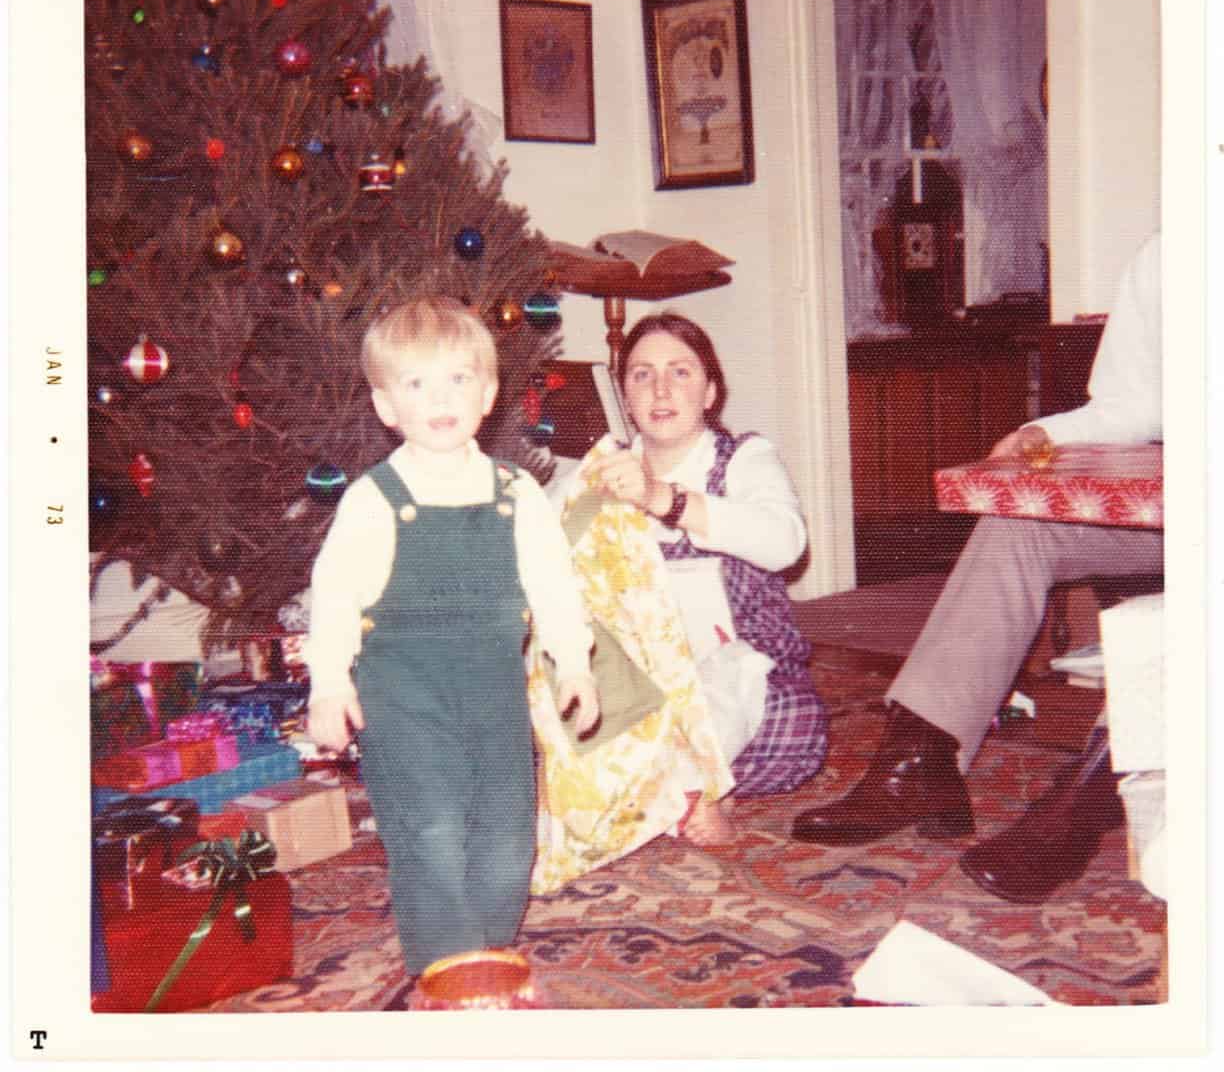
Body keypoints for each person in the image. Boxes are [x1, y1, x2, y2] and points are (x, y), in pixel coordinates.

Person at [792, 232, 1163, 905]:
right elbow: (1130, 406)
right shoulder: (1170, 253)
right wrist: (1046, 435)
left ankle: (1086, 799)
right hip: (1177, 503)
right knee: (1014, 525)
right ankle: (920, 760)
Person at [302, 296, 598, 977]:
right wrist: (329, 683)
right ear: (386, 406)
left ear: (489, 394)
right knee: (429, 826)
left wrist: (573, 664)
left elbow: (555, 585)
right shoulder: (374, 499)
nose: (440, 399)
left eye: (458, 379)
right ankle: (450, 969)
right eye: (416, 383)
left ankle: (485, 945)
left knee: (507, 837)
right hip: (401, 692)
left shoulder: (516, 493)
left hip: (494, 689)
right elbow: (336, 596)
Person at [539, 313, 828, 859]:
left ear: (711, 392)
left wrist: (665, 500)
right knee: (579, 714)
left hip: (733, 665)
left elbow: (786, 542)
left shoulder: (743, 458)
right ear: (625, 398)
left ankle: (693, 785)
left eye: (680, 372)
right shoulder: (602, 469)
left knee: (784, 723)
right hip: (639, 675)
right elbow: (537, 548)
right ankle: (677, 787)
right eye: (643, 375)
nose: (662, 389)